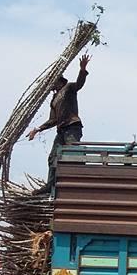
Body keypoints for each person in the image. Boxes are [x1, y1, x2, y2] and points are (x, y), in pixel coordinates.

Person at [28, 54, 92, 195]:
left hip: (72, 127)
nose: (50, 85)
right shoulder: (54, 99)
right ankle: (49, 185)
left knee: (74, 153)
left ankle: (83, 179)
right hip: (61, 130)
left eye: (52, 82)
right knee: (53, 157)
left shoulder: (68, 88)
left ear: (58, 81)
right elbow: (53, 120)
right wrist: (37, 129)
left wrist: (82, 70)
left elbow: (79, 84)